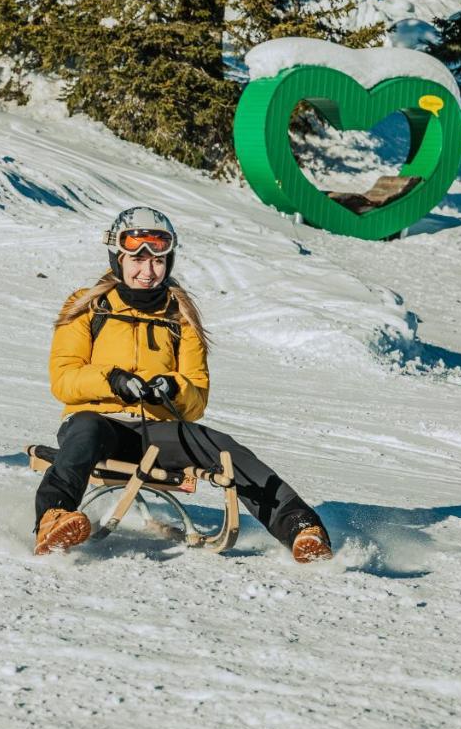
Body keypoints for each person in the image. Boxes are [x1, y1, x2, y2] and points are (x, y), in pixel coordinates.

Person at [35, 206, 333, 563]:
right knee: (83, 432)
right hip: (98, 424)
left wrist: (173, 388)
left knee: (224, 448)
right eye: (137, 260)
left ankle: (300, 527)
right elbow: (64, 379)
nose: (148, 271)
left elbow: (197, 398)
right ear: (118, 258)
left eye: (158, 262)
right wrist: (113, 380)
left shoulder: (179, 317)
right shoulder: (88, 307)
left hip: (156, 432)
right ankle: (53, 517)